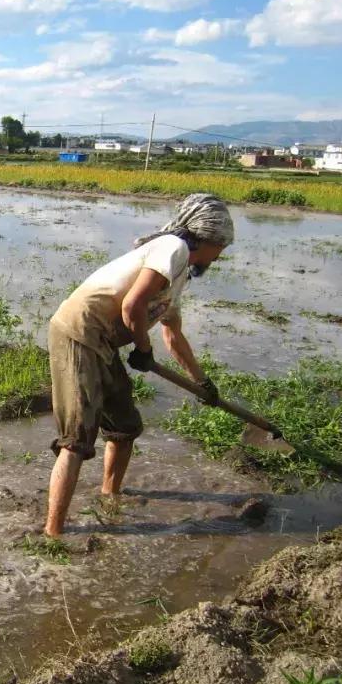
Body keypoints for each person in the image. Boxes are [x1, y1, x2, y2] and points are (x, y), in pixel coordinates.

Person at [44, 193, 234, 538]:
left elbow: (173, 336)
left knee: (125, 427)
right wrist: (143, 349)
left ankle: (110, 497)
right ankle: (53, 534)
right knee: (77, 438)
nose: (219, 257)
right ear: (210, 238)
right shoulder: (172, 248)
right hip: (79, 333)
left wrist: (202, 382)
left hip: (103, 343)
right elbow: (132, 306)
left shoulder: (175, 279)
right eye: (220, 248)